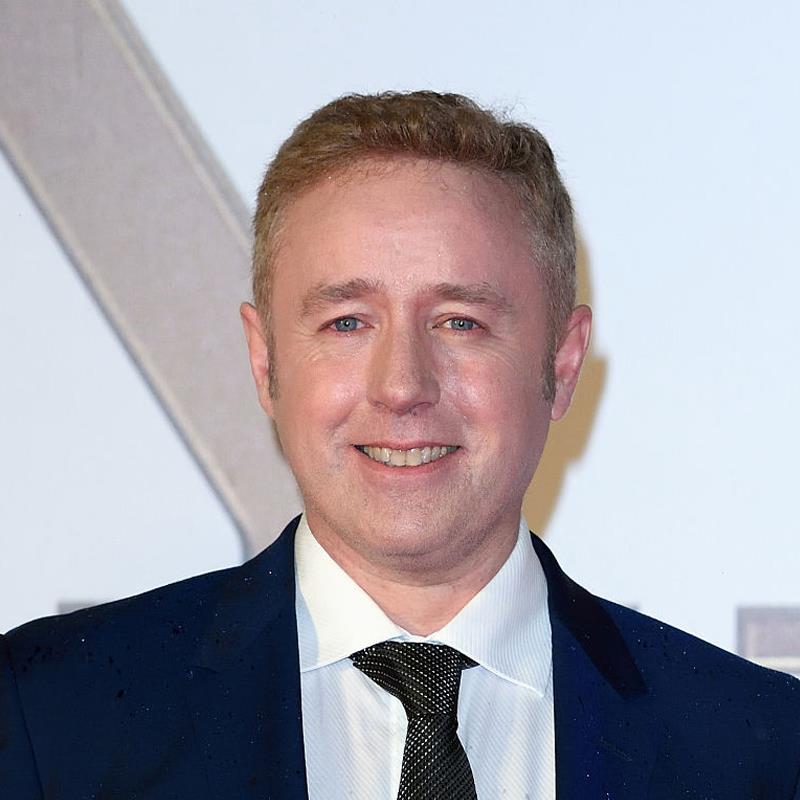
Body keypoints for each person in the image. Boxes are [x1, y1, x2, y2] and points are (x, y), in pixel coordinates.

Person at [1, 91, 798, 799]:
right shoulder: (48, 718)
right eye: (347, 322)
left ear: (560, 365)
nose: (402, 385)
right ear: (265, 362)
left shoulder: (759, 751)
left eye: (460, 322)